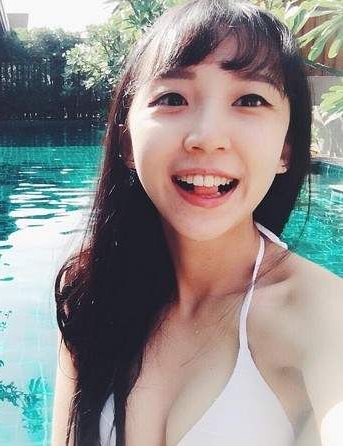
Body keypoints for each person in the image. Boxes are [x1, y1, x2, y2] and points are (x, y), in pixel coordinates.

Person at [50, 0, 343, 445]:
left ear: (286, 149)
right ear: (127, 142)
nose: (207, 137)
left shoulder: (321, 315)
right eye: (172, 98)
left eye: (250, 99)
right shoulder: (92, 292)